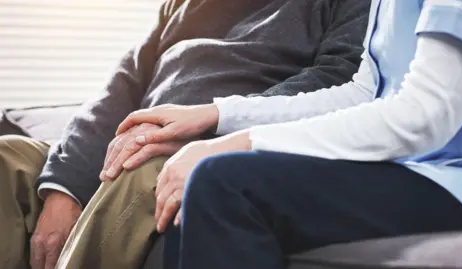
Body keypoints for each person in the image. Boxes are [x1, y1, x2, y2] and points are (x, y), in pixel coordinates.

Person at [0, 0, 370, 269]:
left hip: (210, 144)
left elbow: (339, 79)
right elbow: (117, 90)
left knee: (152, 163)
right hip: (130, 144)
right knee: (8, 155)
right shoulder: (181, 5)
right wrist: (62, 188)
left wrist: (211, 127)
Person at [114, 0, 462, 268]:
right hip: (407, 169)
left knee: (222, 182)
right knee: (196, 188)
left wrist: (235, 142)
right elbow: (360, 94)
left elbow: (424, 117)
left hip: (459, 183)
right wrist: (216, 115)